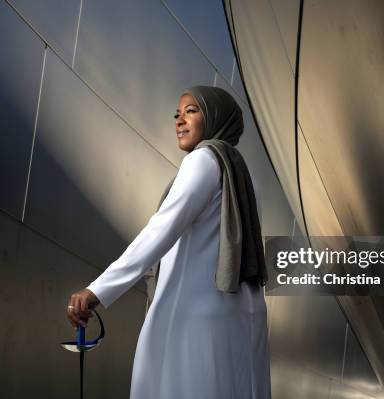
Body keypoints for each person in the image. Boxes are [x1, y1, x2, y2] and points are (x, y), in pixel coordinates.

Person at [66, 85, 271, 399]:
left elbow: (160, 231)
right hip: (237, 317)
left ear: (215, 117)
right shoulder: (244, 178)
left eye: (191, 111)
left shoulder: (204, 161)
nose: (179, 121)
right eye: (177, 114)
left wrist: (99, 289)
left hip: (188, 316)